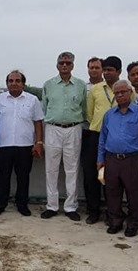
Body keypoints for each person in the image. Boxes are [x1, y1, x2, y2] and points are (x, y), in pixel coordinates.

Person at [96, 80, 138, 237]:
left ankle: (134, 223)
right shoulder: (109, 115)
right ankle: (115, 221)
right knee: (112, 192)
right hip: (111, 159)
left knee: (135, 194)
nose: (120, 95)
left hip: (133, 159)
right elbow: (103, 138)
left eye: (123, 92)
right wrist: (100, 159)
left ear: (130, 92)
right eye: (117, 93)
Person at [40, 51, 87, 221]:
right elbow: (44, 108)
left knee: (72, 169)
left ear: (73, 65)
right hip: (53, 128)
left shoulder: (80, 85)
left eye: (68, 63)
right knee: (51, 168)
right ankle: (51, 206)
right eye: (61, 63)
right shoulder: (48, 85)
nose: (64, 65)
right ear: (57, 65)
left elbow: (84, 108)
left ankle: (70, 207)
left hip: (73, 128)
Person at [0, 70, 45, 216]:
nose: (14, 83)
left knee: (23, 177)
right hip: (4, 145)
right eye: (11, 81)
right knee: (3, 176)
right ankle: (0, 204)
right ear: (7, 83)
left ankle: (22, 204)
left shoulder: (32, 100)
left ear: (23, 84)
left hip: (25, 145)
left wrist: (39, 142)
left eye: (17, 81)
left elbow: (38, 122)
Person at [84, 56, 127, 224]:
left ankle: (113, 212)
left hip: (116, 139)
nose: (106, 73)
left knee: (113, 178)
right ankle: (93, 211)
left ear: (119, 71)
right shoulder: (96, 89)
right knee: (91, 175)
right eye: (105, 70)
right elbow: (89, 113)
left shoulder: (125, 89)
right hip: (95, 136)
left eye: (110, 70)